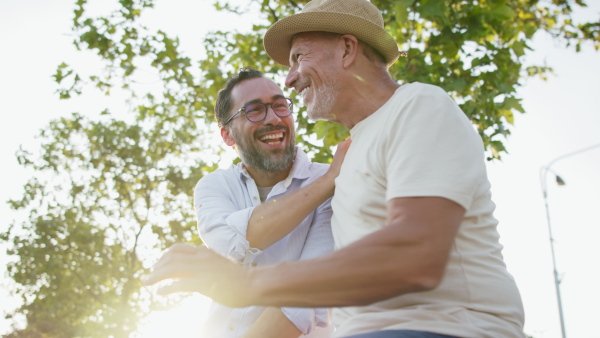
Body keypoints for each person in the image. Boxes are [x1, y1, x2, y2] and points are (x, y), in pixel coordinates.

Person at [144, 0, 525, 337]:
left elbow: (415, 256)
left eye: (298, 58)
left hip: (444, 326)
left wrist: (246, 283)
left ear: (346, 49)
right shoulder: (348, 155)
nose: (290, 78)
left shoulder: (420, 106)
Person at [192, 67, 345, 337]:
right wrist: (325, 183)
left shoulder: (335, 185)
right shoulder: (215, 186)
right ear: (227, 135)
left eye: (279, 105)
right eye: (254, 110)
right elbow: (232, 243)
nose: (273, 118)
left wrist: (329, 181)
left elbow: (304, 298)